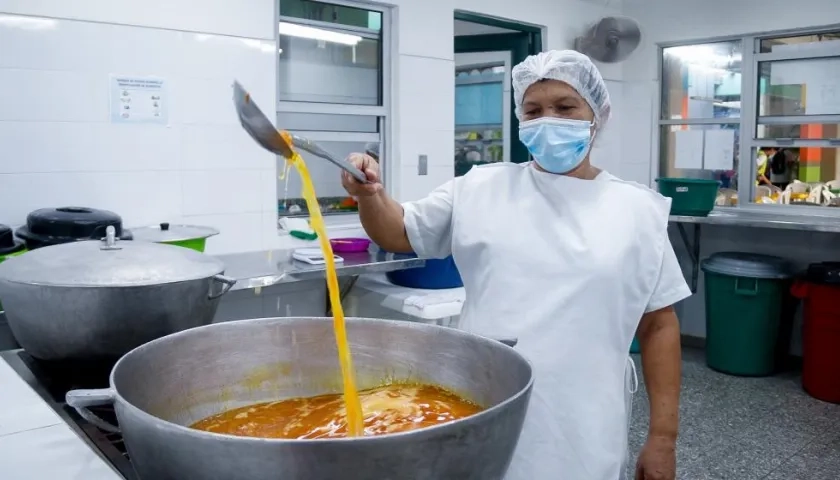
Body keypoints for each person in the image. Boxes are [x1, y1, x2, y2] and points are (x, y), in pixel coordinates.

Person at [341, 50, 689, 480]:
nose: (549, 120)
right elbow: (398, 231)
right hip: (483, 399)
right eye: (534, 110)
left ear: (595, 115)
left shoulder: (635, 209)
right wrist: (370, 195)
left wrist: (662, 438)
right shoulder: (480, 186)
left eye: (565, 107)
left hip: (582, 418)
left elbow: (659, 326)